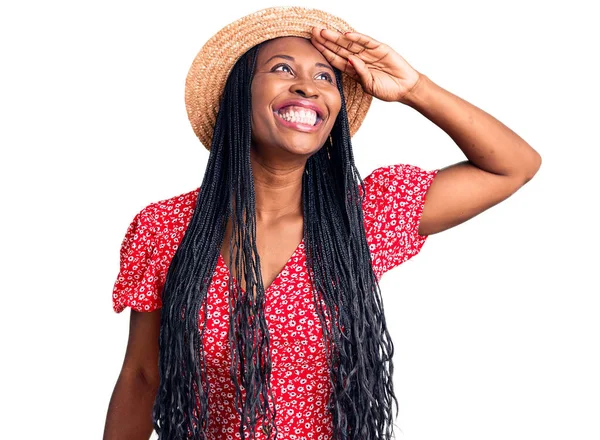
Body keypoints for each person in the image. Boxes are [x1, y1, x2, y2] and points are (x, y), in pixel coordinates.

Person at [103, 6, 541, 440]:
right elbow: (142, 376)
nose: (307, 87)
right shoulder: (166, 227)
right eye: (281, 68)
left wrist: (414, 88)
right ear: (239, 94)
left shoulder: (365, 216)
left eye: (325, 77)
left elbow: (512, 166)